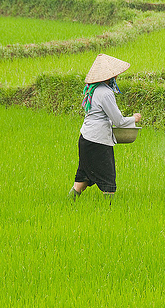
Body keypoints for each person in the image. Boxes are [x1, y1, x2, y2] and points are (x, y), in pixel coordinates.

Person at [69, 54, 141, 201]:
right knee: (108, 180)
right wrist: (134, 118)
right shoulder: (106, 93)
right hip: (98, 142)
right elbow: (119, 121)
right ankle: (109, 212)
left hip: (86, 139)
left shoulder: (92, 88)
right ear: (111, 76)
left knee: (82, 178)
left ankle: (69, 203)